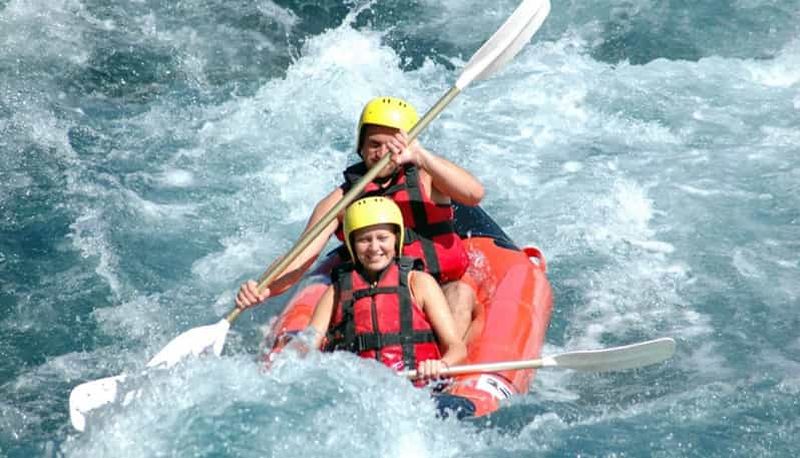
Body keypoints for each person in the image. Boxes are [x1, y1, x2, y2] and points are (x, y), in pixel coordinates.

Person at [236, 96, 485, 339]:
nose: (381, 153)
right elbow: (300, 258)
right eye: (374, 144)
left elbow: (474, 194)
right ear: (361, 147)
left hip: (437, 285)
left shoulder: (428, 178)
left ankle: (449, 373)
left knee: (461, 294)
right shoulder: (340, 200)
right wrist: (262, 288)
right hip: (374, 290)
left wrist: (420, 156)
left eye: (392, 145)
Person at [306, 197, 466, 381]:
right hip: (360, 390)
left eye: (382, 238)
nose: (374, 248)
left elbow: (456, 347)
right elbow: (308, 344)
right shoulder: (336, 292)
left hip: (417, 386)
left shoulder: (419, 283)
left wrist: (441, 365)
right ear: (351, 244)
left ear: (396, 239)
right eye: (364, 240)